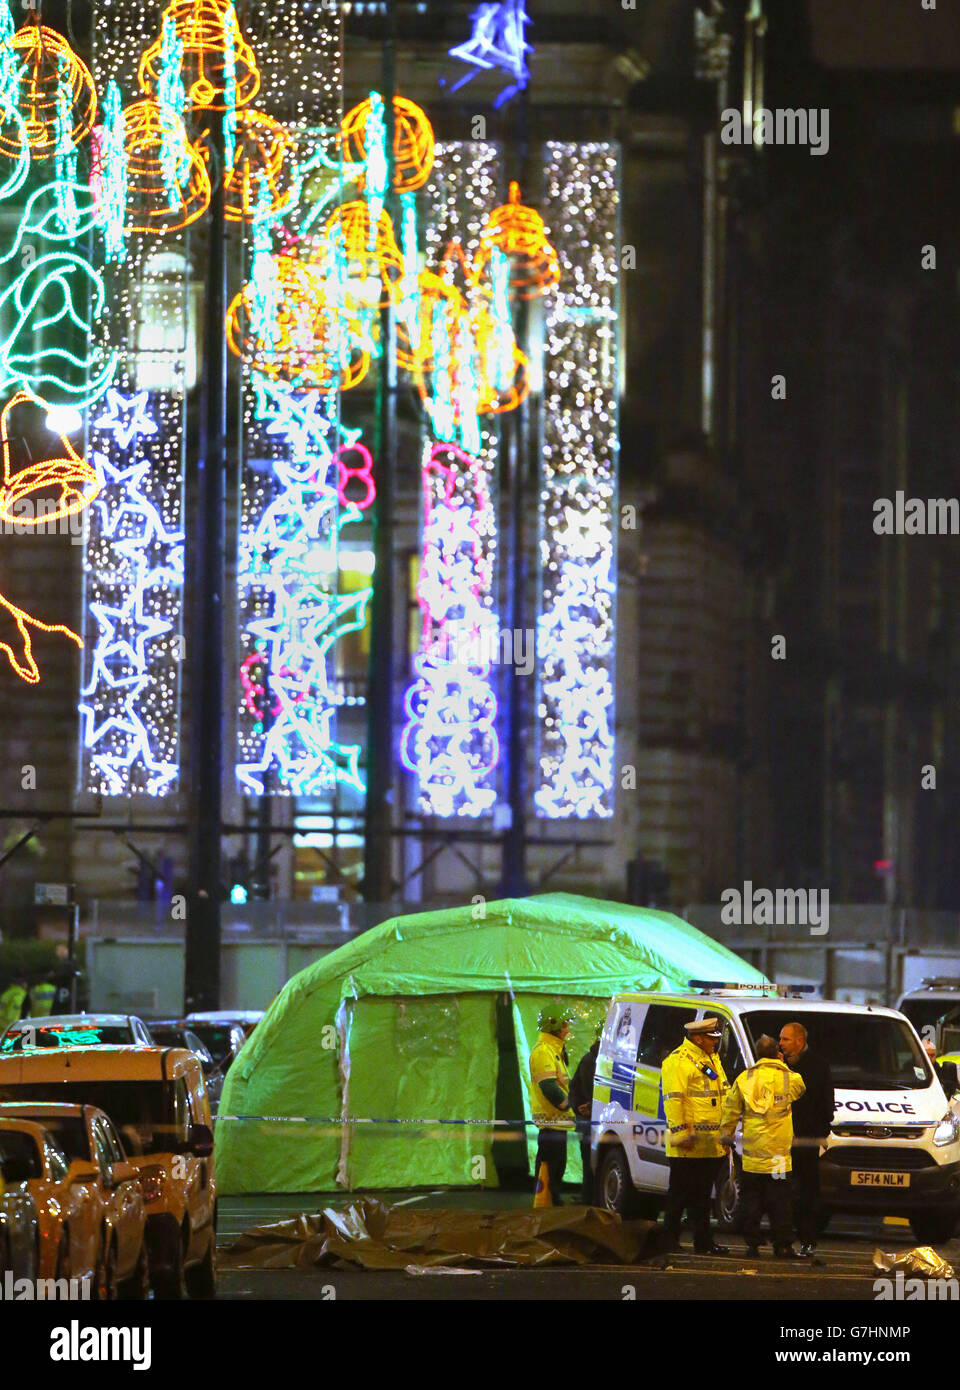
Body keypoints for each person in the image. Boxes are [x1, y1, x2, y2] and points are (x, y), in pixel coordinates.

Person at [720, 1034, 805, 1258]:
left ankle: (753, 1244)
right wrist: (783, 1064)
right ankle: (782, 1245)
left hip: (752, 1155)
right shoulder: (789, 1078)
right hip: (777, 1156)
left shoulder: (744, 1078)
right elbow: (801, 1088)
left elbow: (730, 1110)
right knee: (780, 1201)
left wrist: (726, 1137)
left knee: (752, 1199)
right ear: (776, 1053)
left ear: (757, 1054)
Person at [661, 1017, 730, 1254]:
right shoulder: (678, 1061)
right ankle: (669, 1240)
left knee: (701, 1197)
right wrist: (681, 1134)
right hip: (687, 1143)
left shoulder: (711, 1058)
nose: (715, 1042)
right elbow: (673, 1100)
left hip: (709, 1143)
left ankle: (703, 1242)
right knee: (679, 1195)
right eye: (711, 1038)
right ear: (698, 1038)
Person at [779, 1020, 835, 1257]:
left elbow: (826, 1104)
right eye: (780, 1039)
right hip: (781, 1140)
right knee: (781, 1192)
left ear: (799, 1041)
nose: (780, 1043)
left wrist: (819, 1133)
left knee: (807, 1193)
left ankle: (807, 1240)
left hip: (806, 1141)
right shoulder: (777, 1066)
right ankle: (782, 1240)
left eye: (785, 1039)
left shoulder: (818, 1066)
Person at [529, 1009, 573, 1206]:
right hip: (551, 1120)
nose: (567, 1028)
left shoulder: (553, 1050)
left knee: (557, 1167)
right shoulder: (544, 1051)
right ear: (553, 1025)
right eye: (564, 1024)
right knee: (550, 1166)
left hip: (557, 1121)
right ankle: (545, 1206)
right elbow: (548, 1086)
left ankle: (551, 1202)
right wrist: (566, 1105)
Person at [567, 1020, 602, 1205]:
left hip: (588, 1123)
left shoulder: (587, 1059)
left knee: (588, 1161)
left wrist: (580, 1107)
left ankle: (588, 1198)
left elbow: (573, 1089)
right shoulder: (604, 1061)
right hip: (597, 1124)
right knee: (594, 1162)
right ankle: (592, 1200)